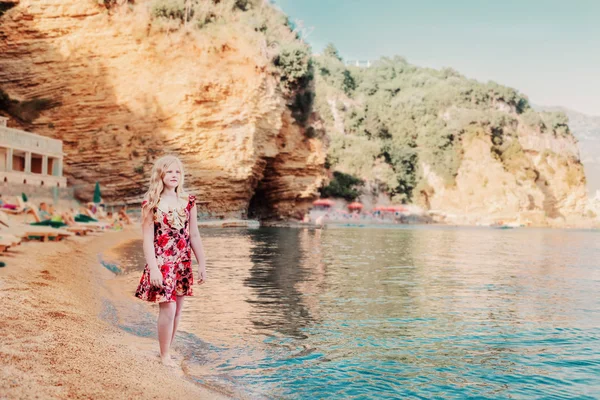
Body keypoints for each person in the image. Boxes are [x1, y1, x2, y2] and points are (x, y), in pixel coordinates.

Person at [134, 155, 207, 366]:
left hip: (183, 263)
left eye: (177, 172)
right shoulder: (151, 203)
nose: (174, 175)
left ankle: (167, 350)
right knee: (169, 308)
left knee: (178, 310)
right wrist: (154, 270)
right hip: (163, 262)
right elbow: (147, 240)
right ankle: (165, 356)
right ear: (161, 174)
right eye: (169, 171)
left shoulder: (189, 201)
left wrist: (202, 264)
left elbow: (194, 235)